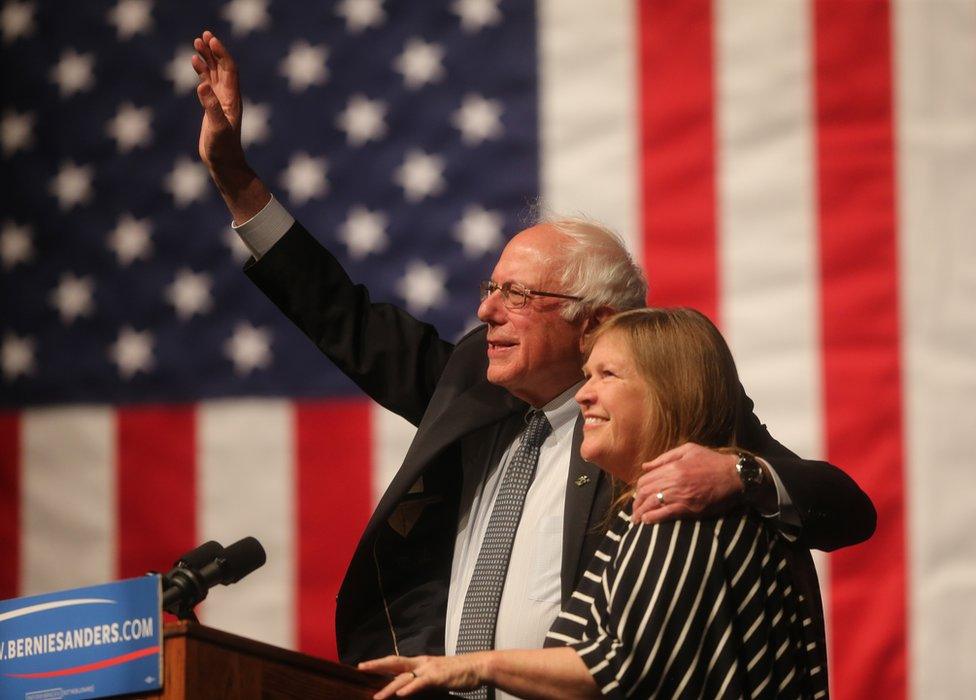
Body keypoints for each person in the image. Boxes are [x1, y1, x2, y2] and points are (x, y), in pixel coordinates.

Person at [190, 30, 875, 670]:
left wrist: (740, 476)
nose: (487, 311)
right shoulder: (468, 383)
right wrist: (235, 180)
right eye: (491, 289)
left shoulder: (668, 415)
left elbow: (847, 510)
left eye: (517, 295)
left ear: (596, 322)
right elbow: (341, 314)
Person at [359, 308, 829, 699]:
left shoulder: (684, 509)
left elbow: (619, 671)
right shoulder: (646, 506)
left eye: (607, 375)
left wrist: (473, 667)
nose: (583, 394)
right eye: (587, 376)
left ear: (670, 391)